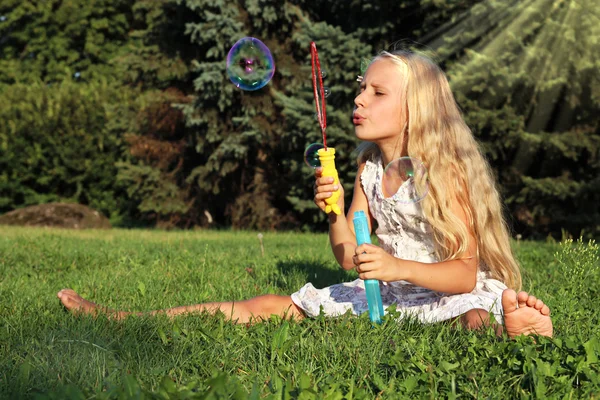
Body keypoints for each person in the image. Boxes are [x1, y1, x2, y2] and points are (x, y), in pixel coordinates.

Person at [58, 50, 553, 338]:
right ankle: (123, 317)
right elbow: (347, 258)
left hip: (451, 292)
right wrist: (336, 213)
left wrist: (397, 268)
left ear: (418, 108)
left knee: (468, 319)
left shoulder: (444, 172)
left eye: (377, 93)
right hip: (392, 291)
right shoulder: (368, 168)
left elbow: (464, 271)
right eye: (361, 88)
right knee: (270, 304)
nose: (359, 98)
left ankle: (519, 325)